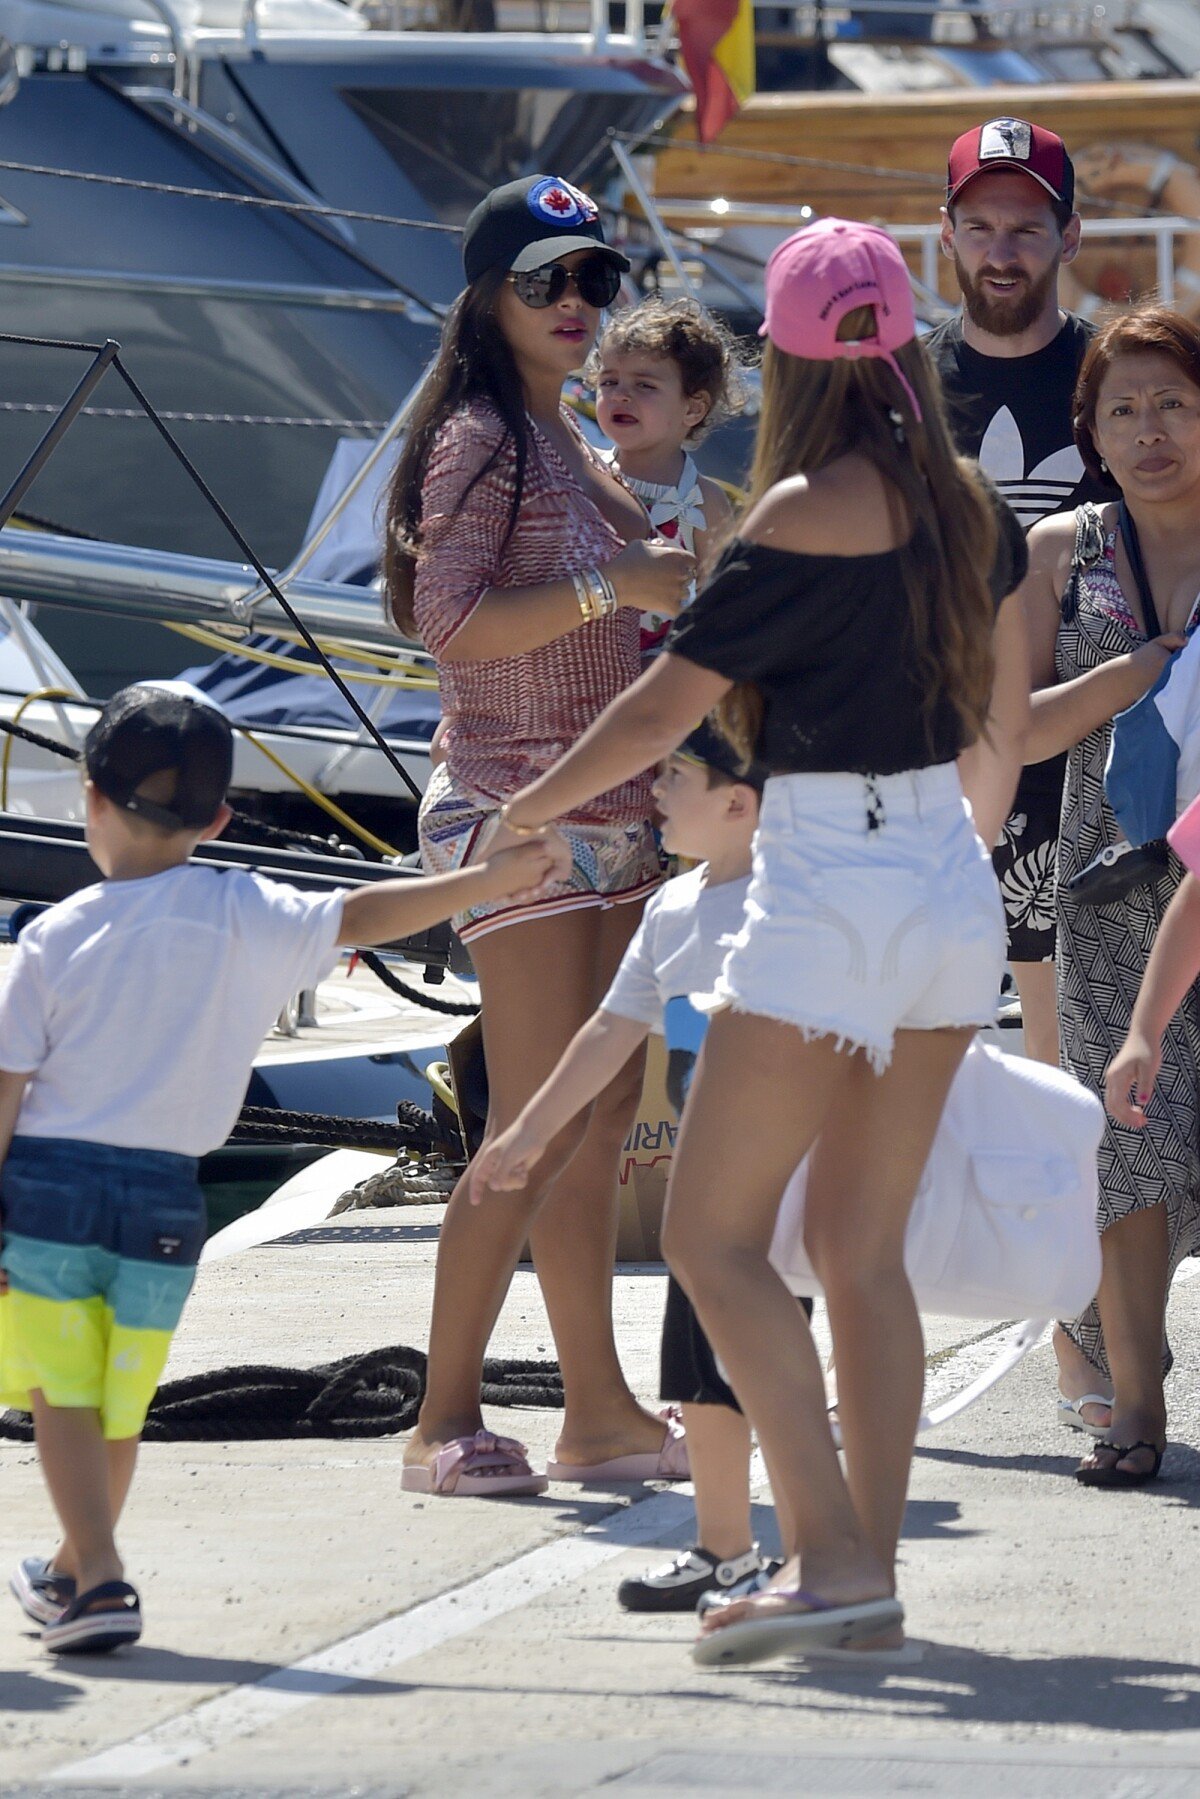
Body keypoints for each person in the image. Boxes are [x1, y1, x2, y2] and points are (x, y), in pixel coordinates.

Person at [479, 217, 1030, 1662]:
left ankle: (833, 1558)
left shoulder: (793, 509)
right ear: (902, 336)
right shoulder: (964, 498)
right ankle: (867, 1572)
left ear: (784, 354)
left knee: (721, 1240)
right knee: (861, 1251)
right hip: (944, 883)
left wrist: (525, 811)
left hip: (829, 880)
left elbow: (666, 712)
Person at [0, 683, 569, 1652]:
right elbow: (365, 912)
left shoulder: (52, 938)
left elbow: (8, 1090)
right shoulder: (247, 910)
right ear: (221, 817)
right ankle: (69, 1564)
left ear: (90, 797)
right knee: (122, 1395)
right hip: (168, 1197)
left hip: (55, 1191)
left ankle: (98, 1576)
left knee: (60, 1391)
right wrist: (485, 879)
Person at [384, 175, 695, 1496]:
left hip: (621, 811)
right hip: (519, 807)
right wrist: (614, 580)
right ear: (484, 293)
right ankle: (440, 1419)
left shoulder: (562, 427)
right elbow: (443, 622)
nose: (576, 303)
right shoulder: (479, 434)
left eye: (596, 280)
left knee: (601, 1112)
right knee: (527, 1123)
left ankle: (599, 1408)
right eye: (544, 279)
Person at [473, 723, 805, 1613]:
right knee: (696, 1371)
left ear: (741, 803)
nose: (653, 789)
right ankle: (725, 1549)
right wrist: (530, 1132)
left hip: (793, 1184)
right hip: (706, 1189)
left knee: (775, 1374)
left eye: (676, 775)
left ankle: (814, 1557)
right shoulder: (673, 907)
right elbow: (607, 1033)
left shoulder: (801, 900)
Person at [927, 116, 1119, 1432]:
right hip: (915, 768)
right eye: (980, 224)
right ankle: (826, 1339)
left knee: (1065, 1071)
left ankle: (1083, 1340)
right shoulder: (890, 380)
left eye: (1027, 224)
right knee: (872, 1052)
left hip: (1077, 764)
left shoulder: (1117, 376)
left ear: (1066, 234)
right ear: (947, 234)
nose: (1003, 249)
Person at [1018, 305, 1200, 1487]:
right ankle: (1139, 1398)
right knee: (1125, 1152)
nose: (1151, 430)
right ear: (1089, 430)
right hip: (1105, 881)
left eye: (1176, 402)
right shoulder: (1058, 552)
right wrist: (1144, 670)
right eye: (1122, 408)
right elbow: (1011, 727)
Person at [591, 297, 740, 654]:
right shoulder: (586, 472)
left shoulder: (703, 502)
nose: (620, 395)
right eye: (608, 381)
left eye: (644, 385)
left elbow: (722, 607)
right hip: (583, 661)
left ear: (693, 407)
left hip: (657, 670)